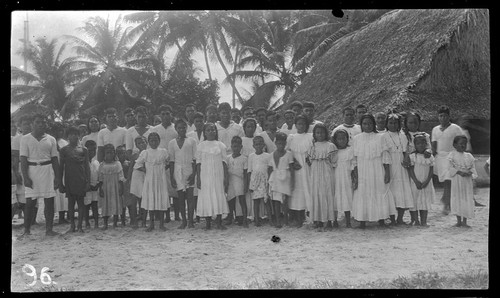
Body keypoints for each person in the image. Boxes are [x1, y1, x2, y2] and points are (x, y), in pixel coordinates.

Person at [351, 114, 396, 229]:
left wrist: (387, 172)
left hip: (377, 169)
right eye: (365, 124)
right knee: (363, 192)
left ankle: (381, 218)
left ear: (374, 124)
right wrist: (355, 174)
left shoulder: (380, 137)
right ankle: (362, 220)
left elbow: (385, 156)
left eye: (370, 123)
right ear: (361, 125)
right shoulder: (356, 138)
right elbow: (354, 159)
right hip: (363, 170)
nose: (367, 126)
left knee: (379, 190)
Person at [19, 113, 61, 237]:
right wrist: (25, 177)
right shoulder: (25, 139)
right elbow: (23, 160)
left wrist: (57, 178)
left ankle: (49, 229)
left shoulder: (51, 139)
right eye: (38, 122)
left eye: (43, 122)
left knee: (49, 201)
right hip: (32, 171)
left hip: (47, 170)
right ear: (32, 124)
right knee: (30, 203)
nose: (41, 124)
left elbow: (54, 160)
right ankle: (27, 230)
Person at [431, 105, 464, 214]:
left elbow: (461, 141)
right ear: (438, 117)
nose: (443, 118)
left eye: (445, 116)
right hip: (440, 158)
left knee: (448, 180)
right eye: (440, 116)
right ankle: (446, 199)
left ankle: (446, 202)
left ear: (449, 116)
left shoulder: (455, 128)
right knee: (445, 181)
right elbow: (434, 145)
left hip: (451, 157)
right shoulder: (435, 129)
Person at [134, 132, 170, 231]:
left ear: (159, 141)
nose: (154, 142)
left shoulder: (163, 151)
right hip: (150, 179)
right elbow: (137, 165)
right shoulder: (145, 153)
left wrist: (163, 168)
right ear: (148, 142)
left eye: (156, 140)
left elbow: (169, 162)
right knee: (151, 200)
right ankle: (151, 224)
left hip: (161, 179)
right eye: (151, 140)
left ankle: (162, 224)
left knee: (161, 200)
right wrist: (145, 170)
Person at [382, 113, 414, 225]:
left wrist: (406, 158)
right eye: (390, 122)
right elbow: (385, 154)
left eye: (395, 122)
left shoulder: (402, 135)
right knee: (392, 191)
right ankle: (391, 218)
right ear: (387, 124)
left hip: (401, 165)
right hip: (390, 164)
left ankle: (400, 218)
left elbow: (406, 150)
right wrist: (387, 171)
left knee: (402, 190)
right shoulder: (384, 136)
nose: (393, 125)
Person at [195, 123, 229, 230]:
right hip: (205, 175)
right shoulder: (201, 146)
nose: (211, 132)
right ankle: (208, 223)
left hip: (218, 175)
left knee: (218, 195)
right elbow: (198, 163)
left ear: (216, 131)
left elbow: (224, 162)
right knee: (206, 196)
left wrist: (226, 177)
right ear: (204, 132)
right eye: (208, 130)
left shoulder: (221, 145)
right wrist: (199, 179)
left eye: (213, 130)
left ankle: (219, 222)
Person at [59, 126, 91, 233]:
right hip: (69, 180)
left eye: (76, 134)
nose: (74, 136)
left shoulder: (84, 149)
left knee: (81, 203)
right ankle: (72, 225)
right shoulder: (64, 150)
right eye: (71, 134)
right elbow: (60, 168)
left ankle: (80, 226)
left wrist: (88, 182)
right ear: (67, 136)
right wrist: (60, 183)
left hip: (81, 179)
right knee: (71, 204)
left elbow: (87, 167)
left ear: (79, 135)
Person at [150, 105, 178, 222]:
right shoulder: (155, 129)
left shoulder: (176, 128)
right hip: (160, 163)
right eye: (163, 114)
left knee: (175, 190)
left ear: (171, 114)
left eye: (168, 113)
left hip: (174, 163)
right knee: (163, 191)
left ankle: (177, 215)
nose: (165, 116)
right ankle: (164, 216)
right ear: (160, 116)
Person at [307, 124, 337, 231]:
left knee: (327, 193)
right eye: (318, 133)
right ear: (314, 134)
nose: (320, 135)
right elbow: (309, 161)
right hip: (315, 172)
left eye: (322, 132)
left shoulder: (330, 146)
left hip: (326, 172)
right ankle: (318, 219)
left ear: (326, 133)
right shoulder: (312, 146)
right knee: (317, 194)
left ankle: (329, 220)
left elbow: (334, 161)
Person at [168, 119, 197, 229]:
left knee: (190, 197)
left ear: (186, 128)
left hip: (189, 169)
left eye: (183, 127)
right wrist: (171, 177)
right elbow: (171, 161)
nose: (181, 130)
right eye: (179, 128)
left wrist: (194, 174)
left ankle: (190, 221)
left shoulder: (192, 141)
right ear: (176, 129)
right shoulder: (172, 143)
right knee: (180, 198)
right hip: (177, 171)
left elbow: (195, 159)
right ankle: (183, 221)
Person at [286, 114, 312, 227]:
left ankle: (309, 214)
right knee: (297, 190)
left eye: (303, 124)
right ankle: (297, 216)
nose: (301, 126)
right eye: (299, 124)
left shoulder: (310, 137)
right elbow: (288, 152)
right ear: (295, 125)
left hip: (307, 167)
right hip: (296, 168)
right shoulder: (291, 137)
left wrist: (309, 159)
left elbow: (312, 151)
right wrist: (293, 161)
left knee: (307, 188)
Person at [448, 135, 478, 228]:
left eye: (465, 144)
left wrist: (470, 173)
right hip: (457, 181)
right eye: (461, 144)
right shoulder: (452, 155)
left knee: (466, 199)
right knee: (457, 199)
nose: (463, 146)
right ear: (455, 145)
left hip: (466, 182)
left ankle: (465, 221)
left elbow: (473, 168)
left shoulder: (469, 156)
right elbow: (450, 167)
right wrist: (459, 172)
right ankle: (458, 221)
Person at [408, 134, 436, 227]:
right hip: (415, 182)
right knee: (414, 201)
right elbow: (410, 170)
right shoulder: (412, 156)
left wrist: (427, 181)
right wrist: (415, 181)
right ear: (415, 145)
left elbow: (431, 170)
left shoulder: (430, 157)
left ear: (426, 144)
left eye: (423, 143)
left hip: (426, 182)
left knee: (424, 202)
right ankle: (416, 221)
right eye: (418, 143)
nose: (420, 145)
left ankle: (424, 221)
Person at [268, 132, 295, 227]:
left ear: (285, 143)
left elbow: (291, 169)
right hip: (275, 178)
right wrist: (269, 182)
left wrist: (292, 181)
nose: (281, 146)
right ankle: (278, 220)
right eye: (279, 143)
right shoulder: (271, 155)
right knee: (276, 201)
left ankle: (286, 220)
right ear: (275, 143)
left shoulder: (288, 154)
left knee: (284, 201)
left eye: (283, 144)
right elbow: (270, 169)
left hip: (285, 178)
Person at [96, 144, 125, 230]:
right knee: (106, 204)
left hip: (115, 186)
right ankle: (105, 223)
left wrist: (121, 187)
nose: (109, 155)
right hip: (106, 186)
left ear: (114, 153)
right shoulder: (102, 164)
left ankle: (115, 223)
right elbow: (100, 178)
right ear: (104, 154)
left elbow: (121, 176)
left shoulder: (117, 163)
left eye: (111, 153)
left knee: (116, 203)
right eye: (107, 153)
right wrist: (100, 189)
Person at [12, 115, 34, 224]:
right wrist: (16, 172)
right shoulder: (17, 139)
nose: (28, 126)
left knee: (34, 192)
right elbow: (15, 158)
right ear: (20, 126)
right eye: (25, 124)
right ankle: (26, 219)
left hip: (33, 166)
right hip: (21, 167)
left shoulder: (34, 137)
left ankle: (32, 220)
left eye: (29, 123)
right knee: (23, 194)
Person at [332, 129, 355, 228]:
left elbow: (354, 166)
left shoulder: (350, 151)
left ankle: (348, 221)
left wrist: (355, 178)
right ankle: (335, 220)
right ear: (335, 140)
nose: (341, 141)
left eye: (343, 138)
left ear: (347, 139)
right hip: (335, 177)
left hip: (346, 177)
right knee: (335, 197)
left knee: (347, 197)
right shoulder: (333, 151)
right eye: (339, 139)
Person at [248, 136, 271, 227]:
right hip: (255, 181)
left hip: (264, 180)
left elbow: (269, 168)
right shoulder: (251, 156)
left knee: (266, 201)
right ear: (253, 145)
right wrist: (250, 184)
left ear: (263, 144)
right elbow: (249, 170)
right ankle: (256, 219)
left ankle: (270, 219)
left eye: (260, 143)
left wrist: (269, 181)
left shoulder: (267, 156)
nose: (258, 146)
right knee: (256, 201)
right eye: (256, 144)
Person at [225, 136, 248, 227]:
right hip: (231, 180)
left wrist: (246, 184)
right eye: (234, 146)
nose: (236, 148)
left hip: (239, 180)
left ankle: (245, 219)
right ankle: (231, 217)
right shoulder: (228, 158)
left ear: (241, 147)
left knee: (242, 199)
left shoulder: (244, 158)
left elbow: (245, 173)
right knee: (231, 199)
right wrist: (226, 183)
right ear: (231, 146)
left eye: (238, 147)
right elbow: (226, 172)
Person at [186, 111, 205, 223]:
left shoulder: (207, 133)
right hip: (193, 164)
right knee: (194, 192)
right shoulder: (189, 135)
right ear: (193, 122)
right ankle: (195, 216)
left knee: (203, 189)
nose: (199, 123)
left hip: (205, 164)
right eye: (196, 121)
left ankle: (202, 213)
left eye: (201, 121)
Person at [128, 136, 148, 228]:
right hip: (136, 177)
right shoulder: (135, 155)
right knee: (134, 199)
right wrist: (128, 180)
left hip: (145, 177)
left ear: (146, 142)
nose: (142, 145)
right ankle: (134, 220)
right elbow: (131, 167)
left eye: (143, 142)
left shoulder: (148, 153)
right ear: (136, 145)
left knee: (143, 199)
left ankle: (143, 220)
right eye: (139, 143)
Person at [52, 122, 69, 225]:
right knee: (57, 195)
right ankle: (60, 217)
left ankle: (65, 216)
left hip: (65, 170)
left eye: (62, 130)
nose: (60, 132)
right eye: (58, 130)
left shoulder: (65, 142)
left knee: (64, 195)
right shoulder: (52, 142)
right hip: (55, 170)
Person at [84, 140, 100, 229]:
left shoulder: (96, 162)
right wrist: (88, 185)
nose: (92, 152)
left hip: (95, 187)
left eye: (94, 150)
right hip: (87, 188)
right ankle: (86, 222)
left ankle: (96, 223)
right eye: (89, 150)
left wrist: (97, 185)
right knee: (86, 206)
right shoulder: (83, 162)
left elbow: (99, 175)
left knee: (95, 205)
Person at [116, 145, 132, 227]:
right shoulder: (116, 164)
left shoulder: (128, 163)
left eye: (123, 153)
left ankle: (132, 219)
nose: (121, 155)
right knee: (122, 205)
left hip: (127, 184)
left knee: (129, 203)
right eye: (119, 153)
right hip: (119, 185)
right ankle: (122, 220)